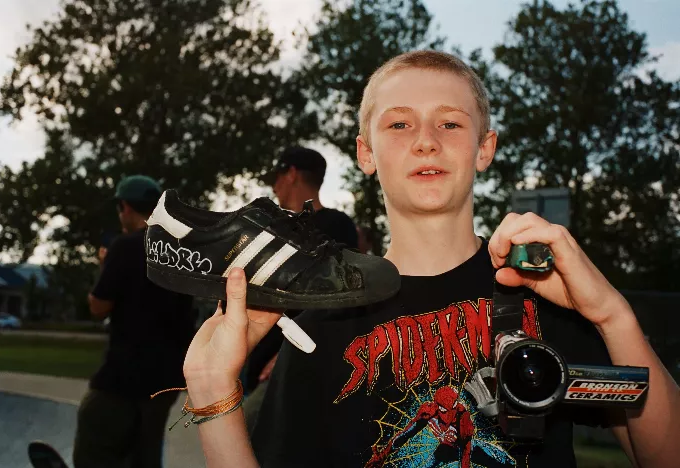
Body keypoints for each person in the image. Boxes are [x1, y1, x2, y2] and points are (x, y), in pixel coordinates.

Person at [180, 51, 680, 468]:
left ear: (484, 148)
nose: (425, 140)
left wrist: (612, 314)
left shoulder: (545, 292)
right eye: (399, 123)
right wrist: (211, 389)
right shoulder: (321, 323)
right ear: (366, 152)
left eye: (449, 122)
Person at [74, 175, 196, 468]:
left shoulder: (125, 247)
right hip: (165, 379)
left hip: (123, 376)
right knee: (146, 455)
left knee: (94, 442)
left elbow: (99, 307)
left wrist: (105, 268)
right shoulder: (182, 251)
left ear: (126, 207)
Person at [242, 146, 361, 430]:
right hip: (258, 363)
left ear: (292, 174)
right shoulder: (274, 230)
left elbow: (338, 298)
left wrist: (288, 353)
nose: (274, 185)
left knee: (240, 436)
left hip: (292, 364)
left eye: (277, 176)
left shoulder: (334, 225)